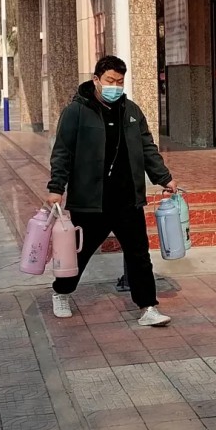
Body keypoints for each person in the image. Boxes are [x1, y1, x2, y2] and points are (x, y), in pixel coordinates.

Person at [46, 55, 177, 327]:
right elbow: (62, 152)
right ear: (96, 79)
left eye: (119, 81)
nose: (115, 86)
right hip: (90, 199)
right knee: (79, 253)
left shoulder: (131, 111)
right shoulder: (76, 112)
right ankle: (61, 292)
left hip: (127, 198)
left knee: (139, 254)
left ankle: (148, 307)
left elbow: (147, 148)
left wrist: (164, 177)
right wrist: (56, 188)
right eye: (110, 81)